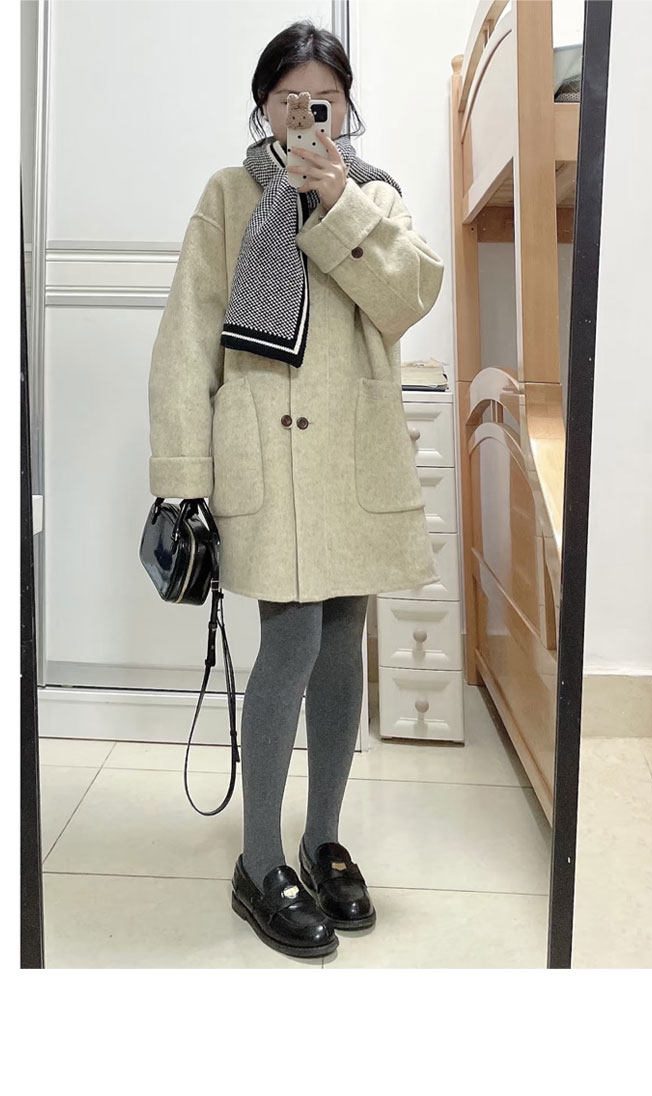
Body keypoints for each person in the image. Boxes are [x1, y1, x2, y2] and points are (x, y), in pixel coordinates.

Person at [147, 20, 444, 960]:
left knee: (344, 638)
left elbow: (408, 298)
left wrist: (339, 202)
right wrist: (182, 477)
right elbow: (187, 337)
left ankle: (322, 842)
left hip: (351, 453)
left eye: (326, 102)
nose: (309, 117)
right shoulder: (229, 195)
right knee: (291, 640)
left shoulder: (377, 195)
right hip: (265, 455)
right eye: (290, 101)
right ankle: (258, 861)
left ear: (347, 108)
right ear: (264, 106)